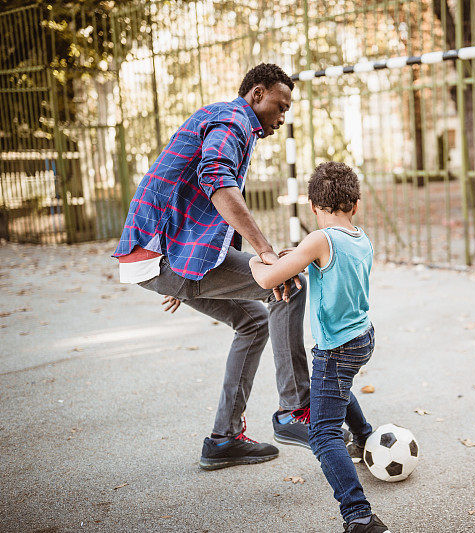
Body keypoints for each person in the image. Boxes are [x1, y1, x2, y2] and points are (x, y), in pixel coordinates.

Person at [112, 63, 315, 470]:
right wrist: (265, 251)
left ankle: (224, 439)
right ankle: (295, 411)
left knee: (254, 321)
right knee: (287, 284)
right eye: (280, 105)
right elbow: (217, 181)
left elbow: (197, 195)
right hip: (162, 253)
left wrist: (177, 272)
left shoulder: (226, 121)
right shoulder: (232, 120)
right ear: (257, 94)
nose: (283, 116)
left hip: (160, 256)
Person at [250, 162, 390, 533]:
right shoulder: (360, 237)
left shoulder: (319, 240)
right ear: (355, 205)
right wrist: (295, 254)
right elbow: (320, 261)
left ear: (313, 207)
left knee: (323, 433)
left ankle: (358, 515)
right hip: (364, 338)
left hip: (337, 348)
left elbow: (266, 277)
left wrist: (253, 259)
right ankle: (364, 437)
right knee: (335, 387)